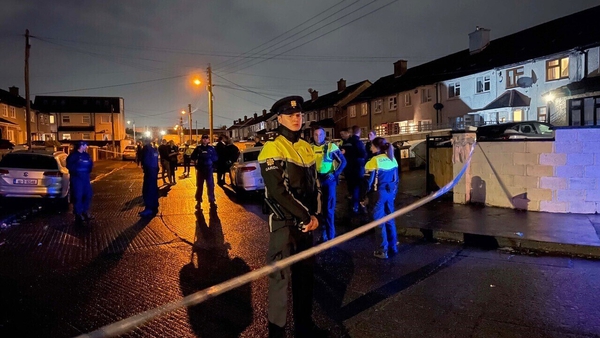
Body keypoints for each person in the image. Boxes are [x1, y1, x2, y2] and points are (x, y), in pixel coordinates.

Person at [258, 96, 323, 337]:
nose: (297, 118)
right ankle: (277, 333)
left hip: (306, 225)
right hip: (284, 226)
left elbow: (315, 185)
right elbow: (278, 192)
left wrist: (316, 215)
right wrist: (307, 216)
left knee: (305, 278)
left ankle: (304, 327)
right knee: (280, 279)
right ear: (280, 118)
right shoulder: (272, 148)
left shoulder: (306, 147)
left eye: (300, 115)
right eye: (292, 115)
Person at [363, 137, 399, 259]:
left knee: (379, 222)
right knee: (390, 220)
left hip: (377, 194)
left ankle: (382, 250)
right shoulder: (392, 159)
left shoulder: (373, 161)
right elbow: (396, 179)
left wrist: (364, 197)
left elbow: (369, 182)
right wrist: (393, 194)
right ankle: (393, 246)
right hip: (390, 193)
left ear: (377, 148)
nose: (370, 148)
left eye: (372, 146)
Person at [312, 126, 346, 242]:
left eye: (320, 134)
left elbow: (343, 162)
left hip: (328, 180)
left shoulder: (331, 146)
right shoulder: (309, 148)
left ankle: (330, 235)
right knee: (317, 209)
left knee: (328, 208)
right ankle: (322, 234)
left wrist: (335, 174)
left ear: (324, 135)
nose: (318, 137)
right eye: (316, 135)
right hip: (316, 180)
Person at [66, 141, 93, 224]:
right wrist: (77, 171)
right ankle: (78, 214)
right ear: (81, 146)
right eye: (85, 145)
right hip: (77, 179)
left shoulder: (86, 155)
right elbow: (69, 166)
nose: (86, 147)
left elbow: (90, 165)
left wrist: (87, 171)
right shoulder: (73, 156)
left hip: (85, 178)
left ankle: (85, 211)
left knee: (88, 195)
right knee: (78, 196)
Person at [342, 126, 367, 214]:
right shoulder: (358, 142)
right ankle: (357, 205)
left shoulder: (347, 142)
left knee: (352, 186)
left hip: (348, 167)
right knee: (358, 186)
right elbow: (363, 154)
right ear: (359, 133)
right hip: (357, 167)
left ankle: (353, 203)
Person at [191, 134, 218, 209]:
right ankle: (198, 201)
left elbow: (215, 158)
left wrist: (213, 166)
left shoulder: (211, 148)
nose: (205, 140)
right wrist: (196, 162)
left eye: (206, 138)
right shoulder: (198, 148)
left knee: (210, 186)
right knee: (199, 186)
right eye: (204, 138)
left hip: (209, 170)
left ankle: (212, 201)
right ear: (201, 139)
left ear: (208, 140)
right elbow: (193, 156)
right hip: (201, 170)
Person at [140, 137, 160, 217]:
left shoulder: (146, 149)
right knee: (154, 189)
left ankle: (149, 209)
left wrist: (146, 169)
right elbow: (156, 160)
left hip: (149, 171)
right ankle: (154, 206)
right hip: (154, 171)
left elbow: (145, 160)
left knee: (147, 190)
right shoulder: (153, 149)